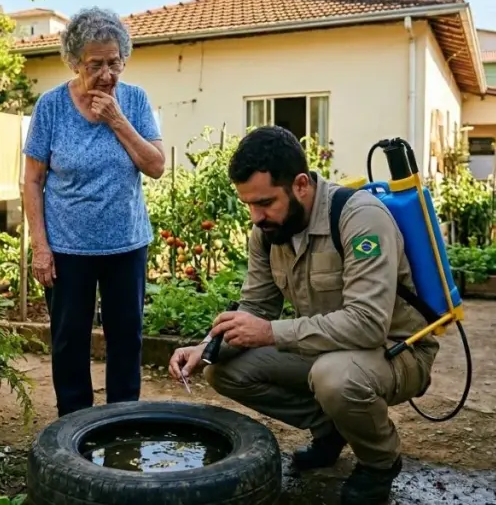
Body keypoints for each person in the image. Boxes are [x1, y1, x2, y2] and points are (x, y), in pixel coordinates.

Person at [168, 126, 438, 504]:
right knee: (224, 368)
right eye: (248, 204)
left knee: (336, 379)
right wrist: (205, 348)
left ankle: (379, 462)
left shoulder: (359, 218)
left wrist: (269, 333)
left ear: (300, 185)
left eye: (265, 203)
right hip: (324, 349)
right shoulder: (268, 232)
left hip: (396, 351)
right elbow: (256, 307)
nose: (256, 216)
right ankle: (331, 428)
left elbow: (367, 325)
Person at [23, 7, 164, 417]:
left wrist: (117, 120)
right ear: (73, 62)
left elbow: (155, 166)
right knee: (69, 341)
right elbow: (32, 180)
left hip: (126, 245)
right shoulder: (50, 107)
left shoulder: (134, 101)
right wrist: (40, 247)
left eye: (114, 62)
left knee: (126, 339)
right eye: (95, 64)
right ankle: (73, 429)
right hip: (68, 249)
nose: (106, 74)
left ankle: (121, 424)